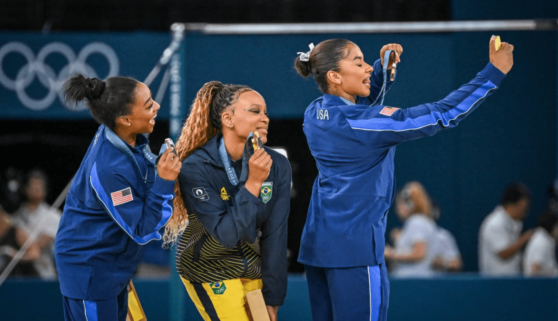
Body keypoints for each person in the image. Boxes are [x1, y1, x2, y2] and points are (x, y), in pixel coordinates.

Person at [295, 36, 513, 320]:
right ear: (334, 75)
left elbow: (360, 107)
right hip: (356, 252)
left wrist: (383, 69)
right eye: (358, 62)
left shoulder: (314, 113)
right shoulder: (362, 123)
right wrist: (492, 74)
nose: (367, 69)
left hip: (318, 248)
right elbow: (441, 115)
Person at [54, 74, 181, 321]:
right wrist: (165, 180)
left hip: (112, 266)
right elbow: (142, 230)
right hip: (90, 271)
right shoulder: (107, 168)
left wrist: (160, 167)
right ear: (125, 120)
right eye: (148, 105)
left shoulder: (124, 135)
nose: (157, 106)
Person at [165, 81, 291, 321]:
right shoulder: (194, 167)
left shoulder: (277, 164)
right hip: (208, 267)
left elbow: (276, 232)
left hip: (250, 267)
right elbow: (226, 234)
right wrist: (253, 183)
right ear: (228, 119)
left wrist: (273, 297)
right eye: (255, 111)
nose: (265, 118)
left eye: (265, 112)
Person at [13, 169, 61, 279]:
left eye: (39, 186)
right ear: (26, 189)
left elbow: (36, 247)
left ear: (45, 190)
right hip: (18, 275)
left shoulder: (54, 216)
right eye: (33, 186)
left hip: (43, 275)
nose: (36, 189)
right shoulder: (16, 217)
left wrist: (14, 252)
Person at [385, 181, 438, 277]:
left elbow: (419, 254)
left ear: (409, 205)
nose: (397, 209)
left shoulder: (416, 222)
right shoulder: (424, 222)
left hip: (413, 279)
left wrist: (390, 253)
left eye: (399, 205)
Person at [478, 183, 532, 276]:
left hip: (512, 279)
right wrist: (525, 239)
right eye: (522, 207)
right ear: (512, 205)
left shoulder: (515, 223)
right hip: (495, 282)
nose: (525, 212)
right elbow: (503, 254)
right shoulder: (495, 223)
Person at [0, 200, 40, 277]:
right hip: (2, 282)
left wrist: (16, 256)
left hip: (25, 278)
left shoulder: (15, 232)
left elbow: (35, 253)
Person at [523, 209, 558, 277]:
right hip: (538, 286)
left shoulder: (543, 239)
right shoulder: (542, 242)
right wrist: (556, 272)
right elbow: (534, 272)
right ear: (553, 227)